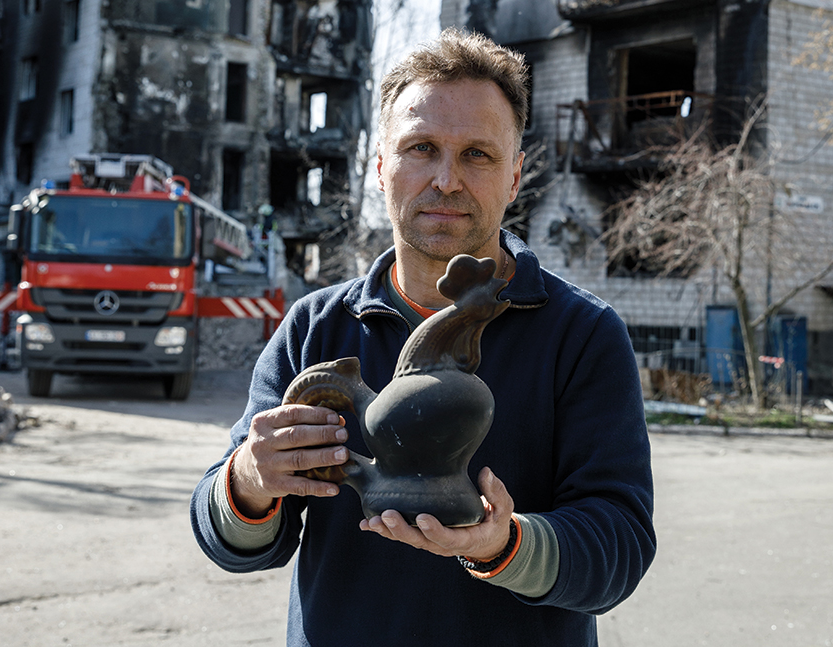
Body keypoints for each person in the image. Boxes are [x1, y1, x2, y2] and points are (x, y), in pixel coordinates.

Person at [191, 28, 655, 646]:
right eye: (421, 147)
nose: (446, 179)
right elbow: (236, 544)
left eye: (477, 155)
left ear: (515, 176)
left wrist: (505, 543)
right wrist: (249, 483)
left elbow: (619, 545)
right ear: (381, 168)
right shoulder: (314, 328)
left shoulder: (581, 334)